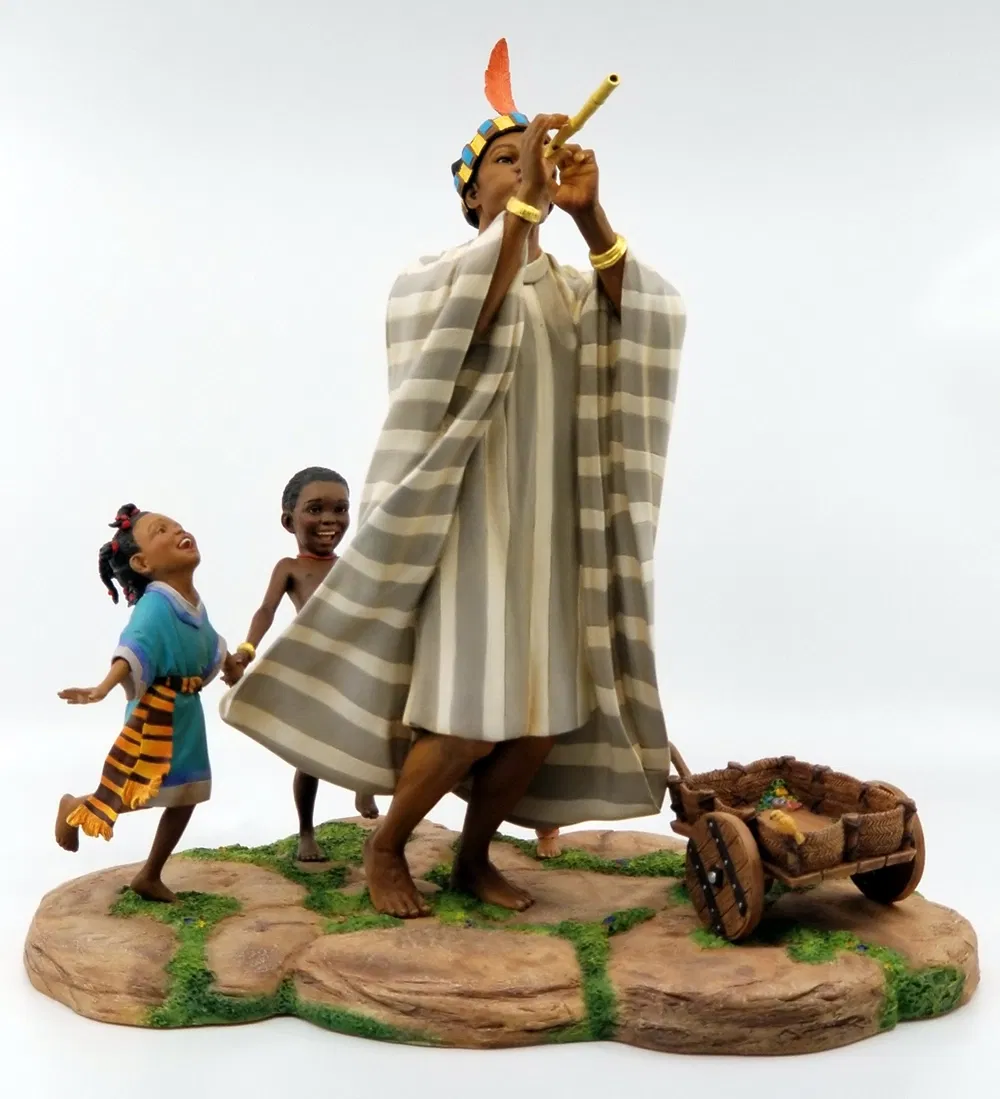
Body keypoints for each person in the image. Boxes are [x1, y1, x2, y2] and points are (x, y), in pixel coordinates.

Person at [220, 38, 687, 918]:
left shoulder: (567, 290)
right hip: (468, 527)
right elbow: (468, 315)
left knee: (542, 721)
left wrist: (590, 219)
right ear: (471, 191)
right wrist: (527, 208)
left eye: (530, 157)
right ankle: (387, 845)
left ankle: (474, 856)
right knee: (467, 716)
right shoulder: (431, 278)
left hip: (549, 530)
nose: (523, 169)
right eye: (504, 161)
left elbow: (645, 321)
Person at [56, 504, 245, 902]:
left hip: (187, 713)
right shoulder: (155, 606)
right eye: (161, 530)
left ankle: (150, 874)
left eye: (178, 525)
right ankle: (76, 807)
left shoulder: (191, 601)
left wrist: (229, 665)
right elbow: (134, 648)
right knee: (140, 789)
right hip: (156, 715)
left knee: (187, 794)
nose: (177, 531)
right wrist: (103, 687)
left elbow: (208, 638)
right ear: (142, 563)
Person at [232, 467, 379, 865]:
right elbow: (266, 610)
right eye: (316, 510)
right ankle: (306, 831)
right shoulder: (290, 568)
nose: (330, 519)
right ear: (289, 520)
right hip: (313, 671)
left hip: (354, 664)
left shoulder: (351, 565)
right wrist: (247, 649)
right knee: (308, 757)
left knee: (373, 724)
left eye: (340, 509)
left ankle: (365, 783)